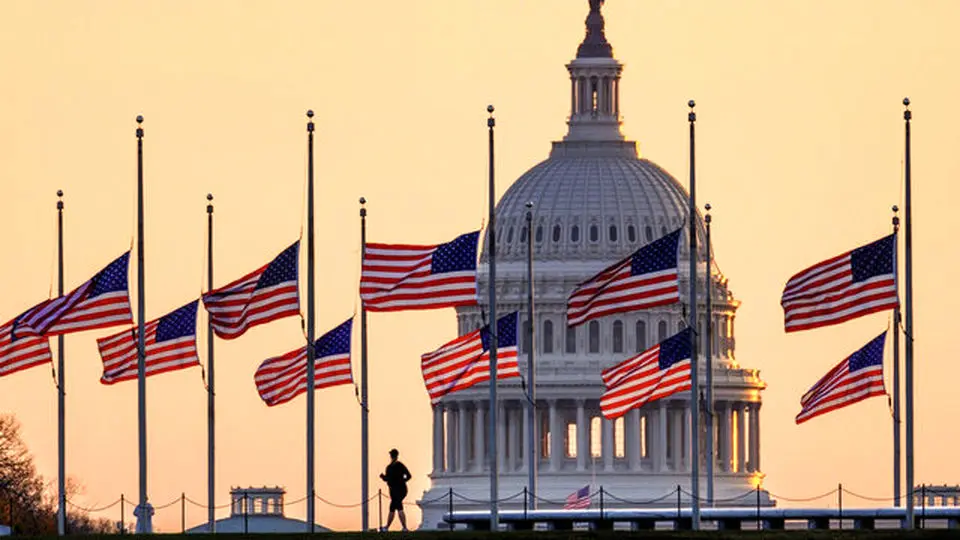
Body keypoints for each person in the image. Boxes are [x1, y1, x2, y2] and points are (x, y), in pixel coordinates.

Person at [379, 448, 411, 531]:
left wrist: (383, 477)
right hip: (397, 490)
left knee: (397, 506)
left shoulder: (392, 467)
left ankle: (403, 527)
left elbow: (389, 479)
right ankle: (388, 527)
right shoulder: (396, 466)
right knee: (393, 507)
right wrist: (402, 481)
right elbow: (408, 476)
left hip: (398, 490)